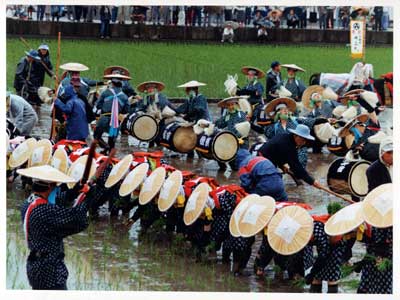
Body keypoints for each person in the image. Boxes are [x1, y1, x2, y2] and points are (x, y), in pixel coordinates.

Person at [19, 165, 91, 290]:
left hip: (35, 265)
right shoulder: (44, 210)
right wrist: (88, 197)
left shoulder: (29, 203)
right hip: (49, 269)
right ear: (50, 187)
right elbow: (77, 218)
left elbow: (58, 201)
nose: (57, 190)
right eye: (55, 187)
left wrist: (75, 191)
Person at [259, 124, 322, 188]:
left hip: (265, 158)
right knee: (276, 185)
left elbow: (276, 153)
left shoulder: (284, 137)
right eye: (303, 140)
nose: (304, 143)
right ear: (295, 136)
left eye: (305, 140)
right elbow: (297, 167)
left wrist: (281, 165)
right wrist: (312, 181)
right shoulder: (289, 146)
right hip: (262, 163)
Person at [94, 74, 129, 153]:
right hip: (115, 120)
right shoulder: (124, 97)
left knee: (96, 136)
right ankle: (109, 154)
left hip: (104, 118)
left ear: (112, 84)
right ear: (121, 85)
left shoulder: (105, 92)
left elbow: (98, 105)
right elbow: (126, 110)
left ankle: (105, 146)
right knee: (112, 139)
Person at [236, 66, 265, 132]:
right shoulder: (247, 85)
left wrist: (248, 92)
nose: (249, 76)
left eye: (251, 75)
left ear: (255, 76)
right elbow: (241, 92)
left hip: (257, 105)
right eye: (248, 75)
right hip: (248, 105)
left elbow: (258, 93)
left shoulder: (258, 84)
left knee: (253, 121)